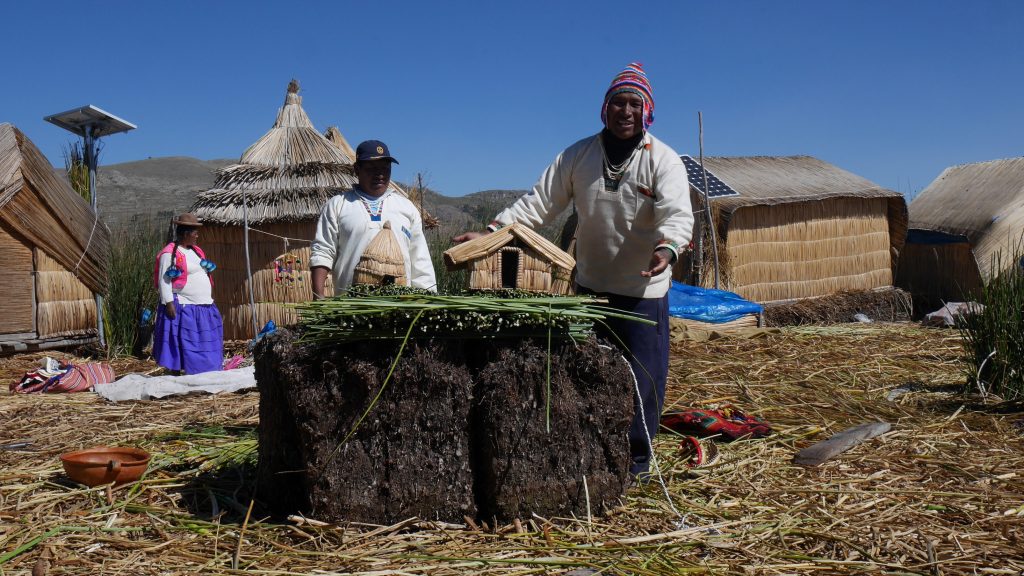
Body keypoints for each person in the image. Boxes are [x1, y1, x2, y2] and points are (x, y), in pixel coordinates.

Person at [454, 63, 694, 477]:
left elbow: (677, 214)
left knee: (644, 379)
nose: (625, 111)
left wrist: (667, 248)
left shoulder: (663, 161)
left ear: (647, 111)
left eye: (634, 104)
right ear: (605, 108)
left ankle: (637, 461)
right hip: (591, 289)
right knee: (589, 372)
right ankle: (594, 452)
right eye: (618, 103)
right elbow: (538, 204)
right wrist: (492, 233)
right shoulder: (578, 156)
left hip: (643, 292)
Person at [311, 140, 436, 297]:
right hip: (350, 304)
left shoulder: (406, 208)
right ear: (357, 169)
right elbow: (322, 251)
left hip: (400, 304)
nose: (380, 174)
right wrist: (318, 297)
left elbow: (420, 260)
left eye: (385, 168)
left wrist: (427, 300)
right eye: (372, 168)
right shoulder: (338, 205)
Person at [153, 213, 224, 374]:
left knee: (205, 341)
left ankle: (206, 371)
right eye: (195, 233)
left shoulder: (196, 251)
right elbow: (164, 280)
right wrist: (169, 303)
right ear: (186, 234)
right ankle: (177, 372)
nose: (197, 236)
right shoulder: (169, 253)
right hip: (184, 305)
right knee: (184, 342)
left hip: (203, 305)